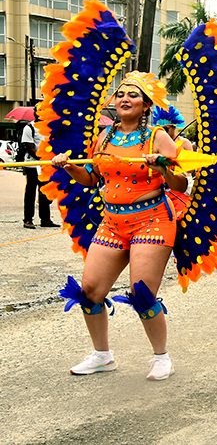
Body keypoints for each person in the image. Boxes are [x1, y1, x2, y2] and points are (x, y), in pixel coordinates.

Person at [51, 72, 186, 380]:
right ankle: (102, 356)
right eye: (121, 93)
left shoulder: (158, 137)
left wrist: (163, 168)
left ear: (146, 104)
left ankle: (161, 356)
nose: (125, 98)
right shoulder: (106, 136)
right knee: (90, 290)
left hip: (152, 220)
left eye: (133, 95)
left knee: (141, 293)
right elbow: (93, 178)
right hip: (112, 222)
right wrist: (70, 166)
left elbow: (181, 182)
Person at [20, 118, 59, 229]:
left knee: (45, 191)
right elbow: (29, 147)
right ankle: (28, 219)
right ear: (35, 113)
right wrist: (43, 158)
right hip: (32, 164)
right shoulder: (29, 128)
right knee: (30, 191)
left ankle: (45, 219)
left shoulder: (49, 127)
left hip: (45, 164)